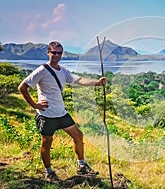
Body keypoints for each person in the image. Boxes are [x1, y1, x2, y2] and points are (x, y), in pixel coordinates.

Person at [18, 41, 106, 181]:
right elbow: (22, 87)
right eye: (54, 52)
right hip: (47, 115)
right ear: (48, 53)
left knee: (78, 135)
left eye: (59, 53)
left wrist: (97, 83)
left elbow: (79, 80)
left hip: (62, 113)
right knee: (47, 142)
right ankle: (49, 172)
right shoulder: (42, 70)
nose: (57, 55)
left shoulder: (63, 70)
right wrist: (35, 105)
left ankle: (81, 166)